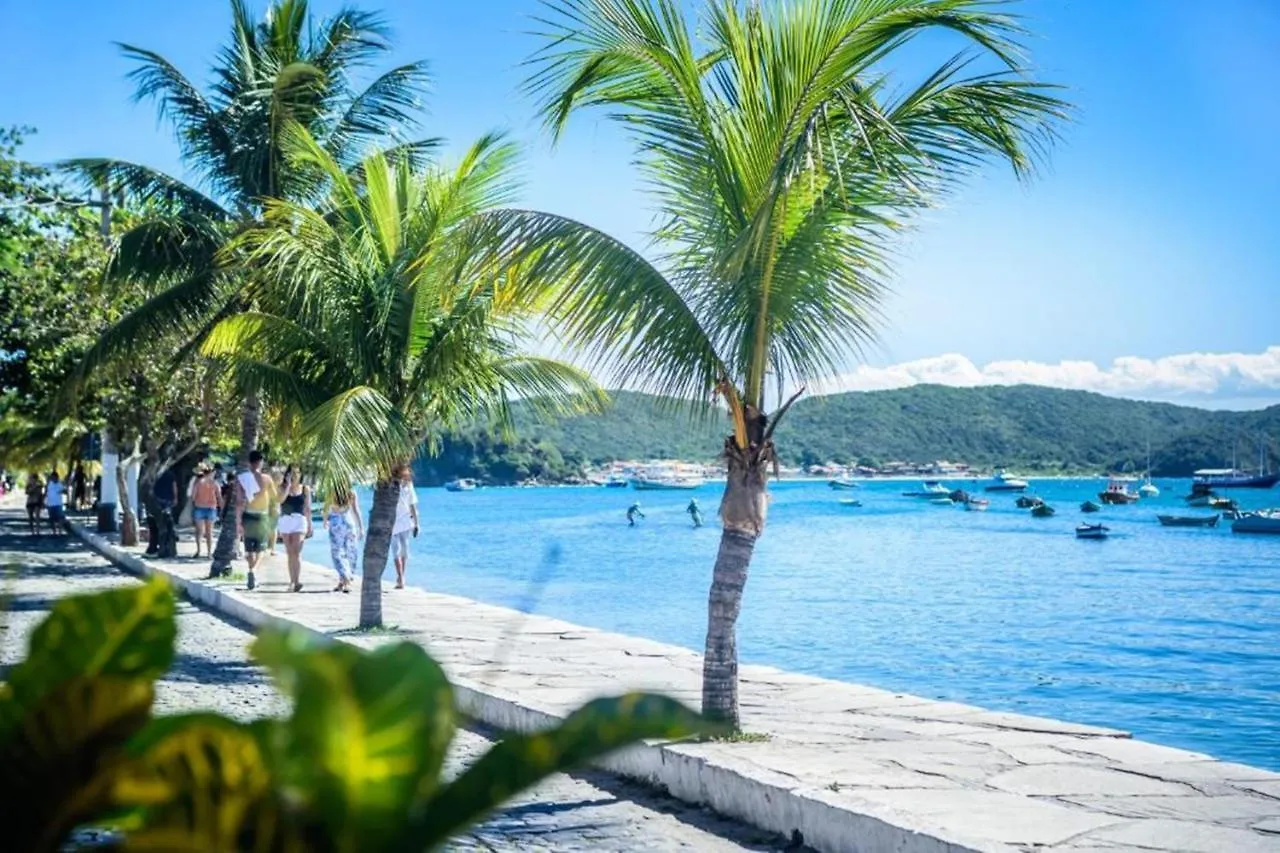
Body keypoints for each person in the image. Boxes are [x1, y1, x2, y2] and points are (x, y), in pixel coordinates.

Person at [237, 451, 277, 590]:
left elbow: (239, 501)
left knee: (249, 548)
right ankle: (253, 571)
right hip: (262, 515)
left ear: (249, 462)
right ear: (261, 462)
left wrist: (237, 521)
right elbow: (275, 497)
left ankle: (252, 572)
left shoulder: (242, 478)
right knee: (262, 548)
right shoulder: (266, 478)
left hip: (248, 514)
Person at [275, 464, 312, 593]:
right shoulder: (281, 488)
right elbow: (280, 501)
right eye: (292, 473)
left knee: (296, 551)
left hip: (299, 521)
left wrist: (310, 525)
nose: (295, 475)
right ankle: (292, 581)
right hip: (286, 520)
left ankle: (296, 581)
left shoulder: (305, 489)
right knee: (290, 552)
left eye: (297, 473)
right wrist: (288, 486)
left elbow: (307, 508)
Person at [323, 484, 362, 593]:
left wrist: (325, 520)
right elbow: (356, 510)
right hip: (348, 523)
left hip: (336, 525)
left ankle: (345, 580)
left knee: (337, 553)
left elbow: (326, 507)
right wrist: (361, 527)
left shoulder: (332, 492)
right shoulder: (351, 493)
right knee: (350, 552)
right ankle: (343, 580)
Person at [391, 465, 419, 589]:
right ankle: (400, 576)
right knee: (395, 551)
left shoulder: (409, 485)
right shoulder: (390, 484)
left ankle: (401, 576)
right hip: (392, 522)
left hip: (406, 521)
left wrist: (417, 524)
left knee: (405, 550)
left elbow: (412, 505)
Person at [189, 465, 222, 559]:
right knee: (209, 532)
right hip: (211, 508)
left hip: (199, 507)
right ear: (211, 473)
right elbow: (219, 497)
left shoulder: (198, 483)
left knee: (199, 531)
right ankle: (209, 553)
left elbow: (193, 497)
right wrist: (222, 508)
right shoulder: (215, 484)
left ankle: (199, 551)